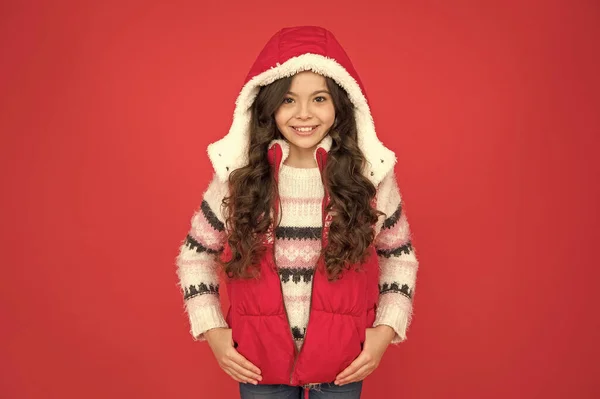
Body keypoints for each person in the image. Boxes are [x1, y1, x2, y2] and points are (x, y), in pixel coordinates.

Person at [175, 26, 420, 399]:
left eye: (319, 98)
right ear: (267, 105)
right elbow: (196, 254)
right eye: (288, 100)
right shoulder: (237, 177)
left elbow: (399, 256)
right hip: (259, 365)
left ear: (340, 103)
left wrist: (386, 329)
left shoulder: (368, 177)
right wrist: (213, 330)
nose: (303, 114)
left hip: (342, 365)